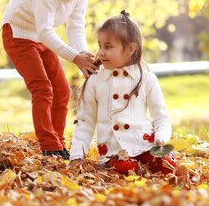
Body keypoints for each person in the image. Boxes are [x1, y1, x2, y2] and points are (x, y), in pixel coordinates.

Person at [1, 0, 111, 159]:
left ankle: (58, 144)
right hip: (18, 34)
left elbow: (75, 27)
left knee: (62, 90)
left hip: (42, 39)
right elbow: (44, 30)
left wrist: (83, 57)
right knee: (42, 88)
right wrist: (74, 57)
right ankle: (48, 145)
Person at [69, 11, 177, 175]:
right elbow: (85, 122)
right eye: (100, 46)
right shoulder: (95, 81)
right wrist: (77, 156)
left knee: (166, 166)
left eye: (108, 46)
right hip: (114, 151)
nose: (101, 52)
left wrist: (161, 137)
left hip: (145, 143)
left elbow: (161, 118)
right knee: (126, 169)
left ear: (130, 49)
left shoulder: (146, 78)